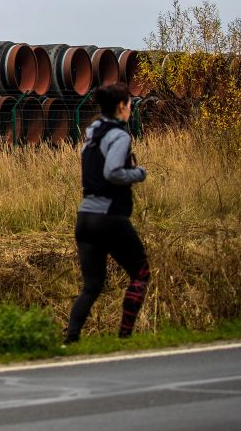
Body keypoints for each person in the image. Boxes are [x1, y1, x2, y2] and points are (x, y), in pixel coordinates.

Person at [64, 82, 149, 344]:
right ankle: (125, 337)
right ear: (121, 107)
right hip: (109, 216)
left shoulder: (91, 134)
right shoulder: (120, 135)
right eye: (129, 105)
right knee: (141, 272)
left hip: (85, 216)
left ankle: (70, 340)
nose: (131, 110)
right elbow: (112, 171)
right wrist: (138, 173)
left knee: (92, 285)